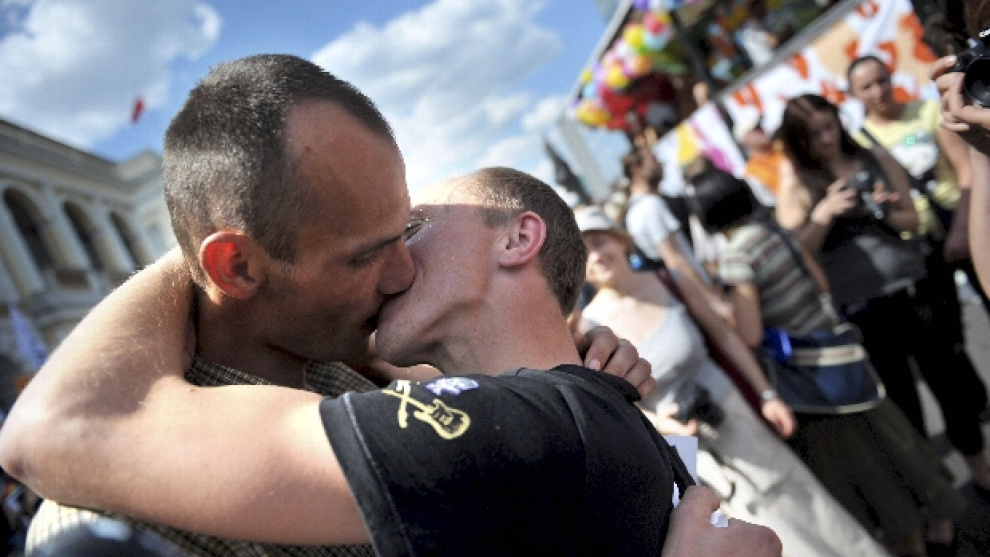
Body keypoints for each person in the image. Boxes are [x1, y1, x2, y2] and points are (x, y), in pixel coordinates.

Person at [11, 54, 657, 557]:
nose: (404, 271)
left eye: (407, 230)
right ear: (237, 266)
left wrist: (563, 362)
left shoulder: (349, 370)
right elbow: (57, 424)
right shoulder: (108, 517)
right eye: (365, 255)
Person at [0, 167, 784, 557]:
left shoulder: (528, 424)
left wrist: (217, 242)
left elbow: (66, 423)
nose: (386, 260)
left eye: (410, 227)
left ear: (519, 238)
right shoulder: (590, 409)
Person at [574, 204, 893, 557]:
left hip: (736, 414)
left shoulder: (669, 281)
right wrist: (661, 424)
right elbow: (614, 406)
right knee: (760, 532)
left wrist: (767, 395)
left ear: (621, 241)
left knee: (809, 505)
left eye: (600, 242)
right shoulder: (589, 328)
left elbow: (725, 337)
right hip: (693, 453)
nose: (596, 255)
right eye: (583, 250)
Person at [688, 166, 968, 557]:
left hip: (808, 378)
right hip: (839, 353)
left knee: (864, 466)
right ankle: (931, 527)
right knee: (891, 445)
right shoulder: (776, 231)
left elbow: (749, 334)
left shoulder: (736, 256)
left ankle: (912, 544)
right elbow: (819, 283)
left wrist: (727, 314)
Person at [775, 92, 990, 495]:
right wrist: (823, 214)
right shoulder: (799, 183)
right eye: (813, 134)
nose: (826, 139)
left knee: (953, 388)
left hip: (913, 290)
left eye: (828, 126)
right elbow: (793, 252)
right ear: (799, 141)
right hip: (864, 312)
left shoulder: (874, 157)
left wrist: (883, 208)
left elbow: (912, 221)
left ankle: (981, 472)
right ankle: (937, 495)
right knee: (905, 409)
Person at [619, 144, 735, 325]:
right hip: (700, 301)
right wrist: (714, 300)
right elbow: (675, 260)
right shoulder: (650, 206)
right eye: (653, 160)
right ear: (636, 169)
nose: (661, 164)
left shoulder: (636, 210)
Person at [733, 113, 785, 203]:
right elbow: (769, 202)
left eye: (759, 126)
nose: (761, 129)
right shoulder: (751, 172)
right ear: (746, 141)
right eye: (755, 129)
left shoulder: (783, 144)